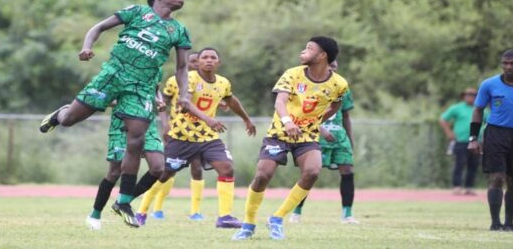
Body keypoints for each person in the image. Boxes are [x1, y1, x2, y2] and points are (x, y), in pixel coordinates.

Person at [39, 0, 192, 228]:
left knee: (136, 141)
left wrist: (185, 95)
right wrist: (86, 47)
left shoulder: (179, 30)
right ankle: (60, 114)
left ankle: (123, 201)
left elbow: (182, 68)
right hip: (112, 75)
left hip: (141, 88)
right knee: (70, 120)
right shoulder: (137, 11)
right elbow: (98, 27)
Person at [232, 36, 348, 241]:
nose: (302, 52)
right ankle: (248, 224)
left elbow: (336, 104)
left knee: (312, 171)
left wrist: (317, 121)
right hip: (279, 133)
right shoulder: (292, 74)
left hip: (307, 136)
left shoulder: (339, 84)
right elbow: (280, 101)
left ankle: (277, 218)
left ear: (322, 56)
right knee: (262, 176)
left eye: (309, 48)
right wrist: (287, 122)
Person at [136, 47, 256, 228]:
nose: (209, 60)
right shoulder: (188, 78)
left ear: (218, 62)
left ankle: (224, 217)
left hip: (208, 137)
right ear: (198, 62)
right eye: (204, 57)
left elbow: (232, 100)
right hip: (182, 136)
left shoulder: (223, 82)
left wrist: (246, 119)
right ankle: (142, 211)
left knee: (226, 168)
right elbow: (184, 103)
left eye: (213, 57)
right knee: (164, 174)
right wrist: (167, 122)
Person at [290, 60, 357, 224]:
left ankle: (347, 215)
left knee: (348, 171)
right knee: (309, 174)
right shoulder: (311, 87)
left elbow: (346, 115)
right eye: (330, 66)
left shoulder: (342, 88)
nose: (332, 69)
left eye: (335, 66)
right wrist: (320, 129)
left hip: (339, 138)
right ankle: (296, 212)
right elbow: (303, 114)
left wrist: (349, 138)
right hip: (315, 137)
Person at [85, 95, 165, 230]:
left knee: (158, 167)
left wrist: (158, 100)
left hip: (147, 124)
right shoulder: (120, 75)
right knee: (114, 172)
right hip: (122, 124)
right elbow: (105, 98)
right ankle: (95, 215)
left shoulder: (153, 73)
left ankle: (123, 203)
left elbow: (156, 91)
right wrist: (129, 102)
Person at [149, 51, 208, 221]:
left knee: (197, 169)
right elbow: (163, 104)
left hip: (198, 133)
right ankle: (157, 209)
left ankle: (195, 212)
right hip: (177, 132)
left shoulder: (205, 82)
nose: (196, 64)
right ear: (186, 64)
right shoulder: (174, 81)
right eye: (192, 62)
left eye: (198, 62)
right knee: (170, 170)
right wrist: (165, 123)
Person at [469, 49, 513, 232]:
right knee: (497, 177)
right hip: (496, 134)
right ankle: (495, 222)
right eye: (505, 63)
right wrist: (473, 138)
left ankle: (509, 222)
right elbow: (478, 110)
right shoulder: (489, 84)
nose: (508, 67)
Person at [440, 88, 481, 195]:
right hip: (461, 141)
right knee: (460, 163)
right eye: (468, 94)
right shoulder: (457, 108)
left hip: (476, 141)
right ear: (464, 96)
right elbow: (443, 119)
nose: (470, 96)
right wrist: (449, 133)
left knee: (474, 164)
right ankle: (457, 186)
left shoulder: (481, 109)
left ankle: (469, 187)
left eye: (473, 95)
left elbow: (489, 120)